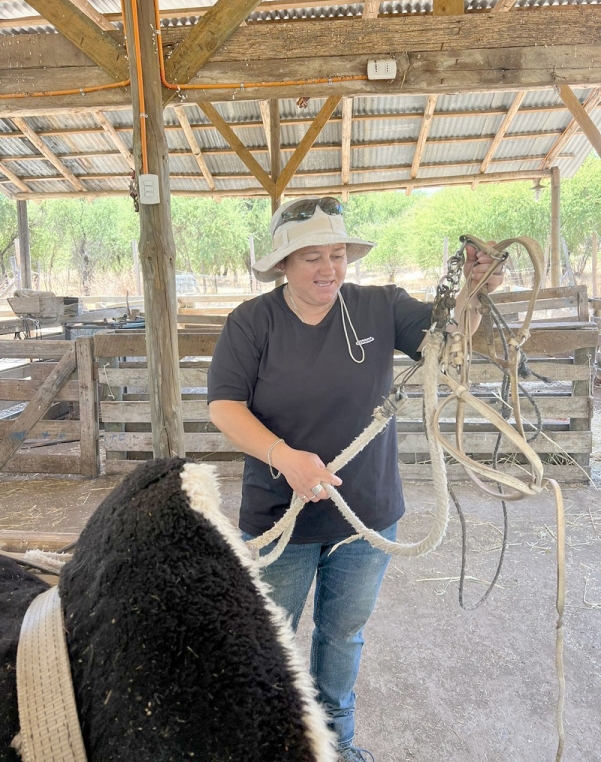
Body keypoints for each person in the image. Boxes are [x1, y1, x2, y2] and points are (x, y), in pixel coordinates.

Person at [207, 196, 505, 762]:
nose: (328, 269)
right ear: (283, 265)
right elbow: (224, 406)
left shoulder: (379, 306)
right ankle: (265, 741)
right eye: (312, 257)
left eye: (338, 254)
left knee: (342, 633)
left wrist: (474, 288)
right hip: (281, 514)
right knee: (270, 637)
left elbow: (448, 336)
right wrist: (286, 457)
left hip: (365, 510)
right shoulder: (252, 323)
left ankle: (336, 743)